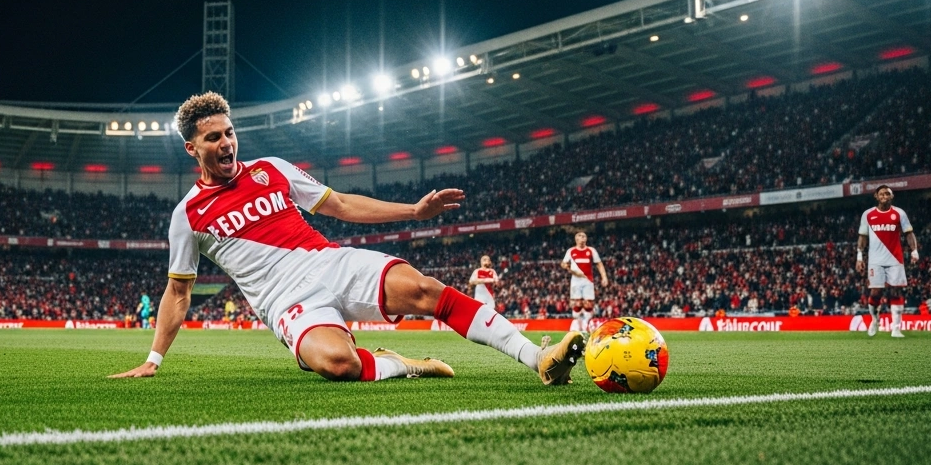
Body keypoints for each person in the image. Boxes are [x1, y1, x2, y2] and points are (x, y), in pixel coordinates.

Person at [111, 92, 584, 383]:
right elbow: (178, 291)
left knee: (426, 290)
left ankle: (538, 357)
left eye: (229, 132)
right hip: (286, 303)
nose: (227, 143)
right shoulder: (188, 214)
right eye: (213, 138)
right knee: (340, 366)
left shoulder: (271, 170)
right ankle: (405, 364)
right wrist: (154, 358)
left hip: (330, 262)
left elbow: (339, 204)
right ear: (192, 148)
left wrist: (415, 210)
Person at [857, 185, 918, 338]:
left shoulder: (899, 213)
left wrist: (914, 250)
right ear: (876, 197)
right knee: (876, 292)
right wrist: (859, 256)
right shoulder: (868, 214)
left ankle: (896, 328)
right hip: (875, 260)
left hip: (895, 259)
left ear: (892, 197)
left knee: (895, 291)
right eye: (881, 193)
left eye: (887, 193)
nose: (884, 195)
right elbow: (862, 237)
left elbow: (909, 233)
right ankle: (874, 320)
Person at [561, 231, 608, 332]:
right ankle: (577, 324)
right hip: (575, 281)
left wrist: (604, 277)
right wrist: (567, 267)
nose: (582, 238)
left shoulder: (591, 250)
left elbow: (599, 264)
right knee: (577, 303)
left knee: (588, 304)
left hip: (588, 280)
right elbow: (563, 263)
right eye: (580, 236)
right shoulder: (571, 251)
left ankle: (586, 323)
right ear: (576, 239)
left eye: (584, 236)